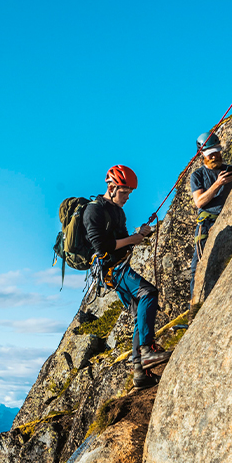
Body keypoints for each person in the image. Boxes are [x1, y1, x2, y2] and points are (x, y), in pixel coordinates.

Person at [83, 164, 171, 389]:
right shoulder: (93, 210)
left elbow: (122, 241)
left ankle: (140, 374)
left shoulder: (118, 212)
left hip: (118, 266)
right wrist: (133, 239)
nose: (128, 197)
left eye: (130, 193)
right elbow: (102, 247)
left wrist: (140, 234)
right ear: (111, 187)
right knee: (148, 293)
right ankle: (147, 351)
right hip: (111, 269)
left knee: (139, 314)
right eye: (124, 192)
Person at [189, 131, 232, 301]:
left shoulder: (229, 170)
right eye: (210, 154)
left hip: (229, 220)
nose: (214, 157)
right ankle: (196, 306)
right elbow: (199, 202)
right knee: (198, 267)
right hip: (207, 223)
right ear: (202, 156)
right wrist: (218, 184)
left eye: (217, 152)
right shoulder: (198, 175)